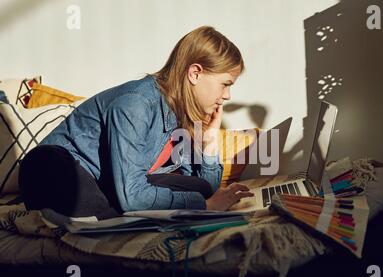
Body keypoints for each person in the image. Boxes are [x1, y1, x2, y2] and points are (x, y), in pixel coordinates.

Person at [18, 26, 254, 220]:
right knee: (52, 167)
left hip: (108, 183)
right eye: (226, 84)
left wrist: (209, 141)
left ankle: (114, 215)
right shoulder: (136, 104)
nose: (227, 96)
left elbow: (208, 188)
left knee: (198, 189)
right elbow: (133, 195)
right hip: (54, 169)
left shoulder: (180, 115)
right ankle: (112, 219)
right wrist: (206, 205)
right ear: (194, 73)